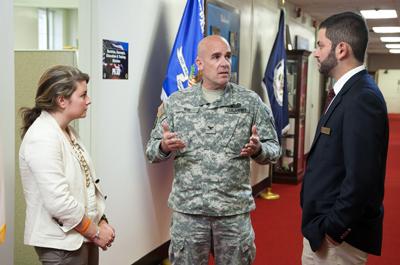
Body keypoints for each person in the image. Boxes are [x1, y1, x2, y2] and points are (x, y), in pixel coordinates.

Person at [146, 35, 281, 265]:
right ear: (199, 64)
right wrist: (164, 145)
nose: (225, 63)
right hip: (189, 213)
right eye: (216, 57)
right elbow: (151, 151)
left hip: (233, 214)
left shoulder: (249, 102)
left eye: (228, 56)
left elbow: (274, 149)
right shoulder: (176, 103)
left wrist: (258, 149)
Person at [300, 12, 389, 265]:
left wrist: (334, 229)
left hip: (337, 241)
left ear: (341, 49)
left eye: (320, 45)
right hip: (322, 228)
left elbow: (362, 178)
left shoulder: (362, 98)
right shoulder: (348, 91)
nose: (316, 53)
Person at [19, 65, 116, 265]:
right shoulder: (42, 137)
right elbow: (59, 202)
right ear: (62, 100)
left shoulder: (66, 131)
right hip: (62, 245)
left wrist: (101, 220)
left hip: (83, 237)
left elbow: (86, 185)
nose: (88, 100)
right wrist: (96, 233)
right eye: (83, 95)